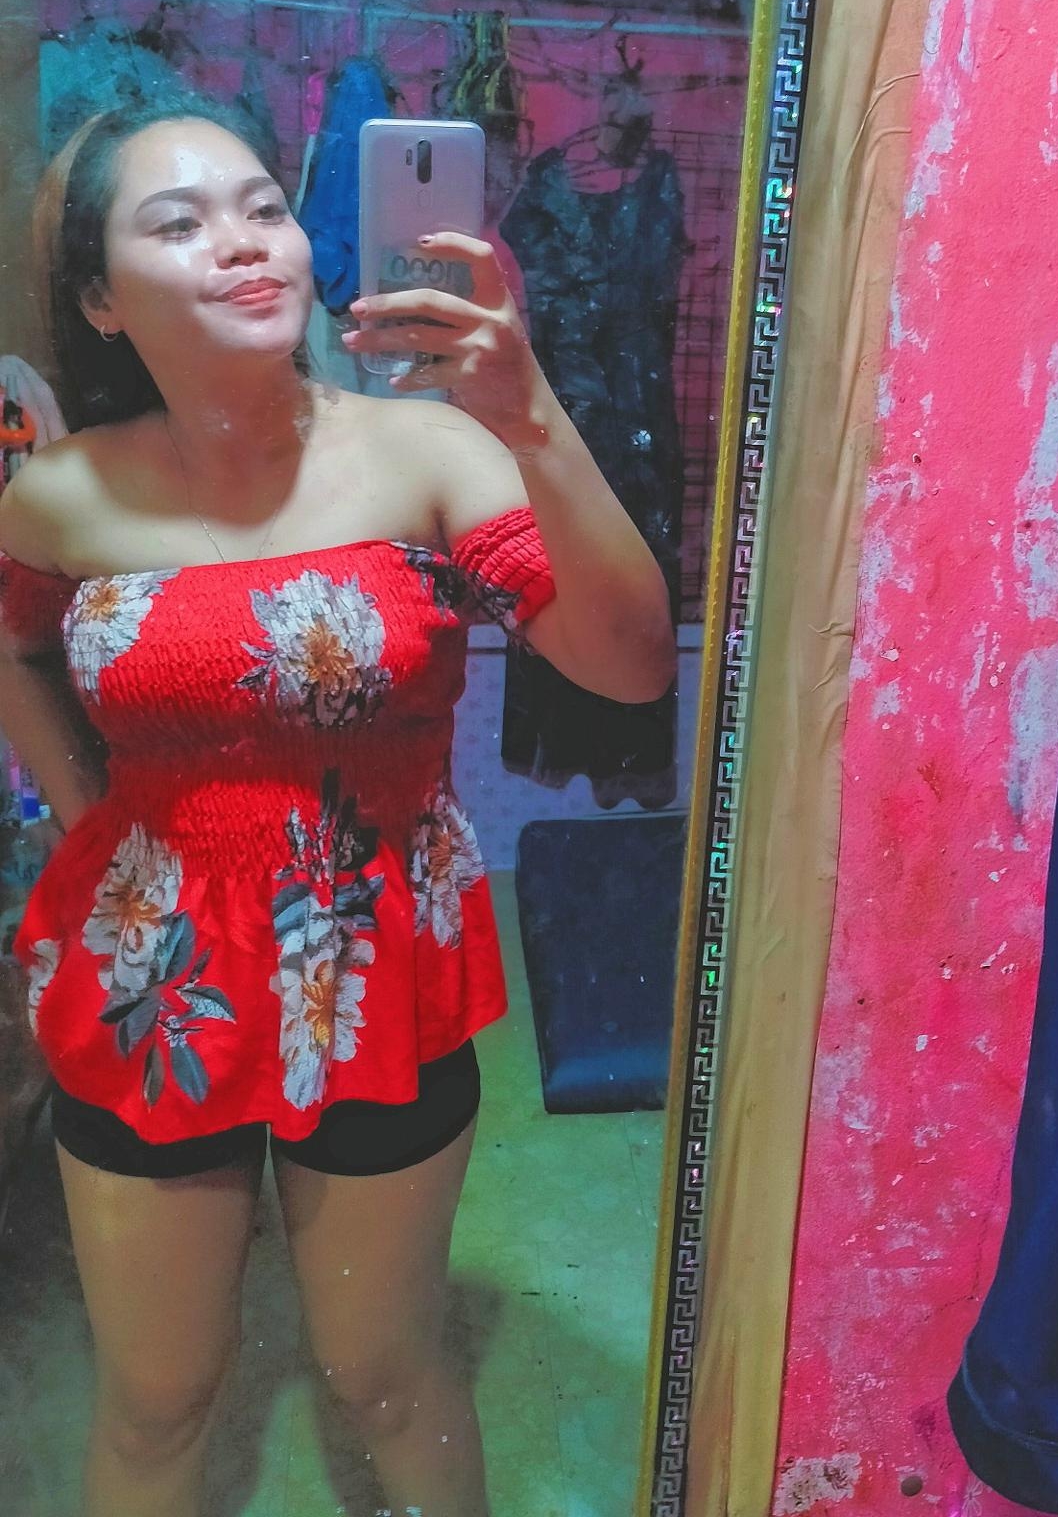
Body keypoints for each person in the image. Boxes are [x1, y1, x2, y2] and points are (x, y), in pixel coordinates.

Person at [0, 93, 676, 1517]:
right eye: (179, 223)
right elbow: (17, 645)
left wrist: (530, 416)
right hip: (150, 977)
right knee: (158, 1400)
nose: (245, 242)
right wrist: (78, 814)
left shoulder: (429, 454)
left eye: (264, 207)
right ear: (101, 302)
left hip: (378, 964)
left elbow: (627, 668)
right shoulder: (56, 496)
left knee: (386, 1377)